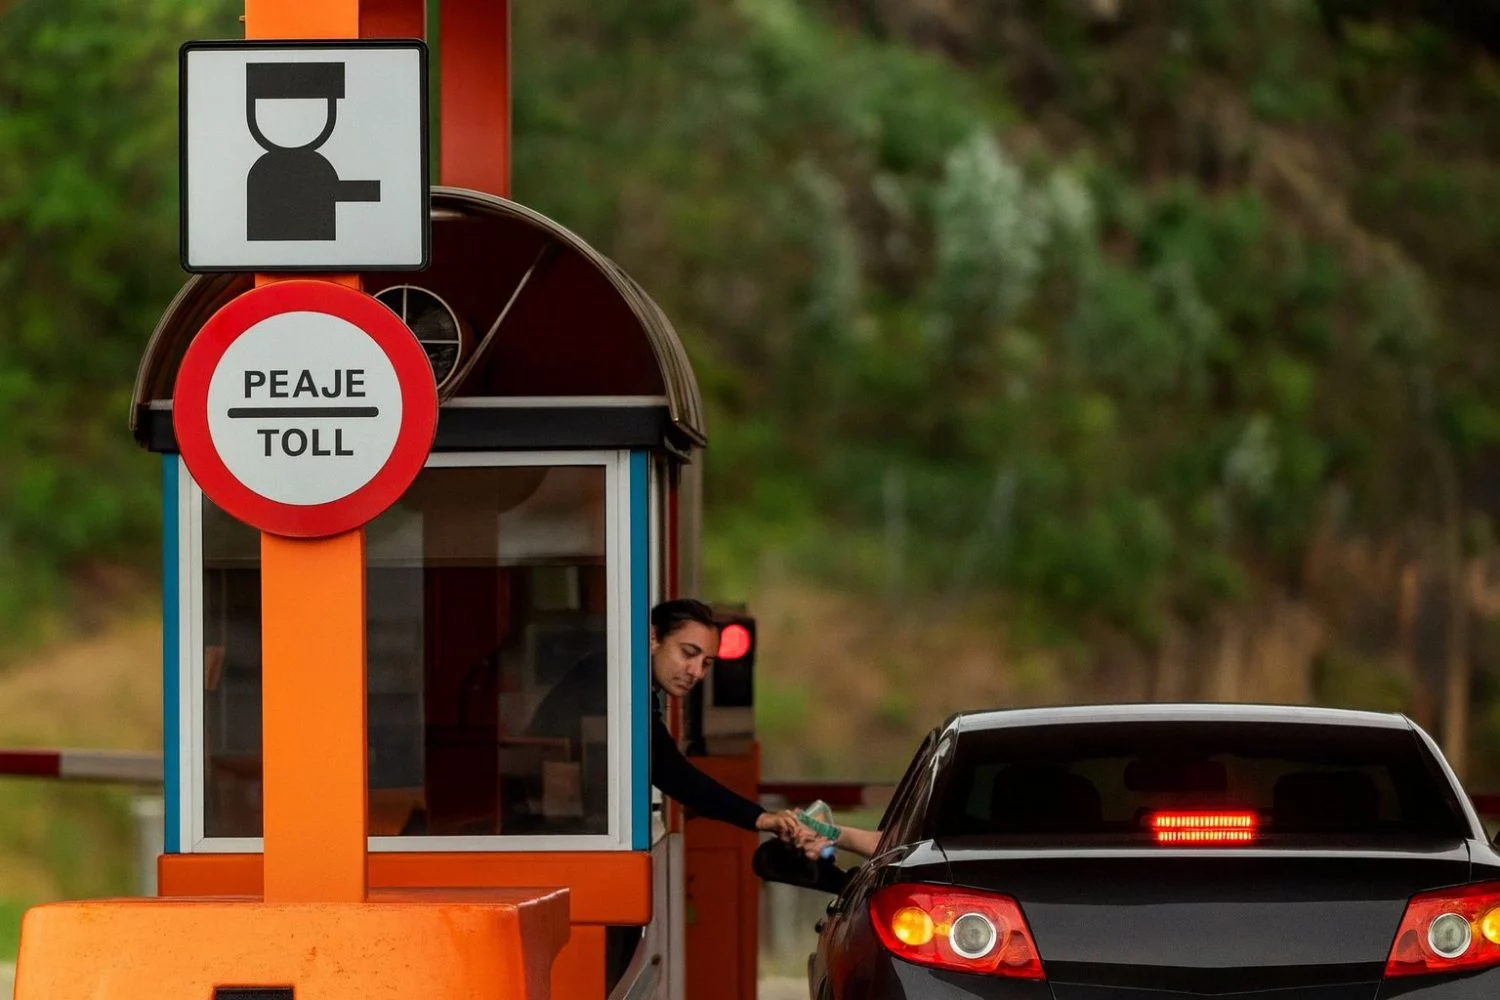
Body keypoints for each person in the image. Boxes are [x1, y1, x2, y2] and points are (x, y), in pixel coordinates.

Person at [525, 597, 803, 840]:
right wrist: (761, 819)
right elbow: (670, 770)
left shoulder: (625, 676)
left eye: (706, 663)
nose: (696, 672)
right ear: (653, 638)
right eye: (688, 653)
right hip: (537, 822)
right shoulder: (611, 678)